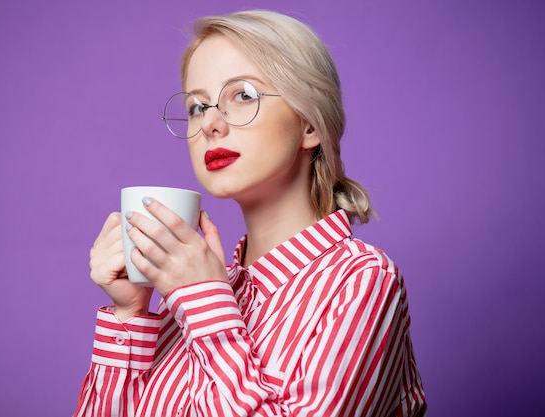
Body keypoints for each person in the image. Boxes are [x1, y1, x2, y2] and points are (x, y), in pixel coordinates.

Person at [74, 9, 426, 417]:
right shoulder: (189, 299)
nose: (209, 125)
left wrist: (204, 304)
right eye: (196, 106)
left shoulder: (361, 281)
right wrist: (131, 316)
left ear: (309, 124)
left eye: (242, 95)